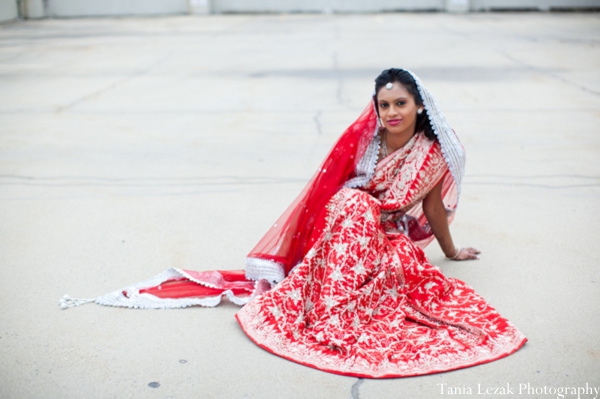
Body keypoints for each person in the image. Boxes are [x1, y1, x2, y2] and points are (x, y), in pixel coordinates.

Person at [60, 68, 526, 378]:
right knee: (351, 206)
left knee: (379, 244)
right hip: (347, 223)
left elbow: (430, 209)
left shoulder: (434, 152)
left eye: (400, 104)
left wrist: (449, 251)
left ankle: (332, 313)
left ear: (420, 105)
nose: (391, 114)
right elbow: (330, 193)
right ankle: (329, 311)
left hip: (387, 237)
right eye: (384, 106)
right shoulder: (366, 142)